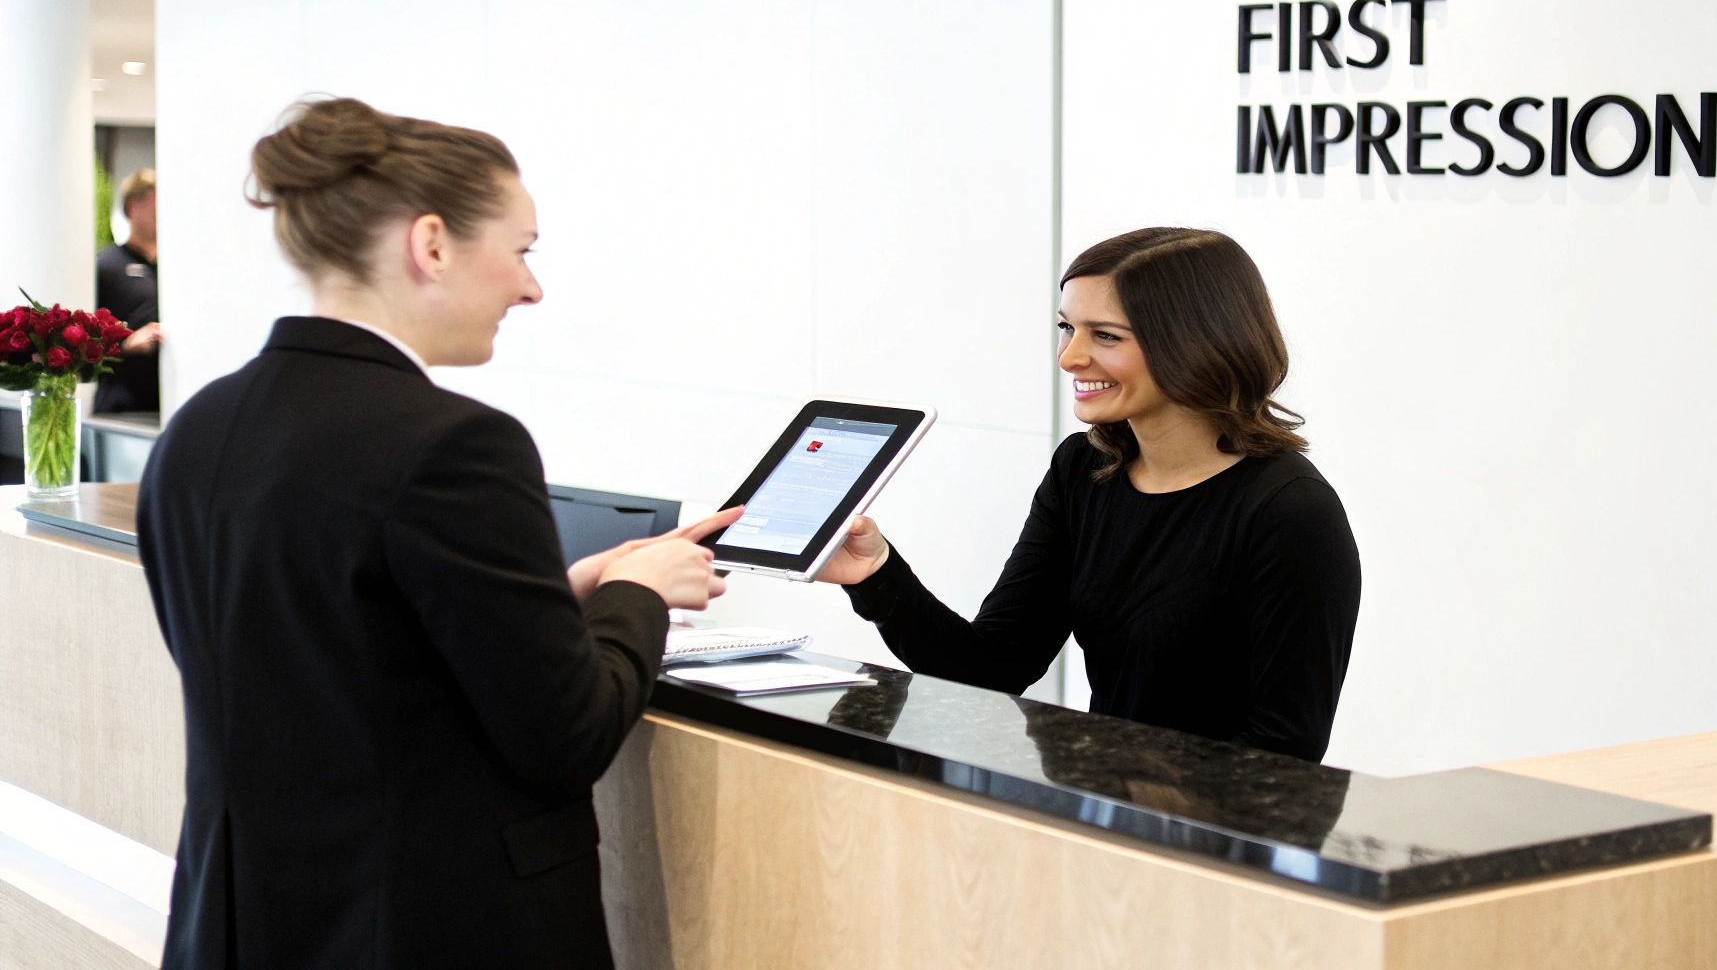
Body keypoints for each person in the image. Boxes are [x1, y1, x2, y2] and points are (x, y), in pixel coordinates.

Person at [137, 97, 740, 969]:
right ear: (430, 244)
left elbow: (335, 649)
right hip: (424, 930)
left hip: (242, 926)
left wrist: (560, 592)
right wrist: (637, 594)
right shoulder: (456, 444)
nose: (531, 287)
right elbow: (566, 738)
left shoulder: (201, 426)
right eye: (523, 251)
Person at [818, 228, 1361, 762]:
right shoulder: (1083, 470)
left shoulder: (1291, 513)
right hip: (1104, 818)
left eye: (1105, 336)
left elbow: (1283, 754)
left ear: (1195, 344)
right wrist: (877, 574)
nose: (1070, 358)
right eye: (1067, 328)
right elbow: (989, 669)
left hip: (1202, 841)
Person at [95, 167, 165, 413]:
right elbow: (81, 344)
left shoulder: (174, 269)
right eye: (158, 204)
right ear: (133, 207)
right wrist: (128, 344)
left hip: (166, 403)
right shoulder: (106, 266)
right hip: (122, 407)